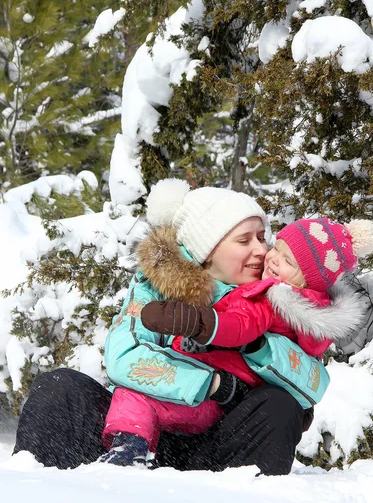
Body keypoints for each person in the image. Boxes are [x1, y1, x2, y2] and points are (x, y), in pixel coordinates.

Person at [13, 180, 324, 475]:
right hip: (135, 430)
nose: (261, 250)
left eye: (262, 237)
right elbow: (124, 357)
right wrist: (215, 385)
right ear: (207, 250)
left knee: (280, 406)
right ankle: (42, 500)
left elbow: (312, 383)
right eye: (244, 240)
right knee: (58, 388)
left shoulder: (277, 295)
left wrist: (255, 344)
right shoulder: (154, 289)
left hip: (219, 446)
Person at [141, 217, 373, 380]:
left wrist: (199, 324)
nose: (271, 258)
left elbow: (241, 325)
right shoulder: (308, 308)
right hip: (225, 378)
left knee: (138, 401)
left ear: (307, 283)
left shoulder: (276, 299)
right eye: (277, 249)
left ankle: (131, 445)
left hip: (212, 371)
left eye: (288, 262)